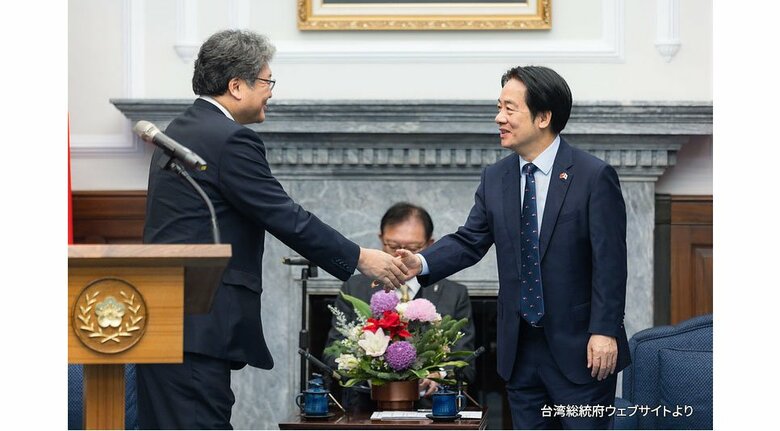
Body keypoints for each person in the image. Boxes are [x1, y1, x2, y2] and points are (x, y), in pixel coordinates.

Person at [137, 30, 409, 429]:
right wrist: (360, 257)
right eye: (266, 81)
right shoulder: (229, 140)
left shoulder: (181, 131)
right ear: (236, 86)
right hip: (196, 324)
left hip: (167, 321)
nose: (270, 92)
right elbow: (284, 215)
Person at [398, 66, 630, 429]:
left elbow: (611, 263)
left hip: (581, 349)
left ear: (543, 117)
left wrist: (605, 331)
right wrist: (421, 262)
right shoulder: (496, 177)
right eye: (498, 107)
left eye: (509, 108)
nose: (498, 118)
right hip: (520, 350)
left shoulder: (593, 176)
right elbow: (469, 240)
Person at [324, 202, 476, 410]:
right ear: (381, 240)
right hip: (367, 408)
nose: (401, 256)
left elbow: (466, 360)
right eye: (393, 246)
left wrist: (437, 375)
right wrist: (368, 373)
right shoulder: (354, 288)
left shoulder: (454, 294)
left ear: (430, 244)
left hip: (433, 410)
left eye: (413, 248)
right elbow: (333, 353)